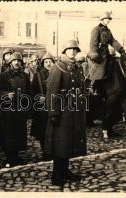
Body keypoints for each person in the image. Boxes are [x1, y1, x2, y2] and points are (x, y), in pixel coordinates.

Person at [45, 40, 87, 186]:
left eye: (75, 50)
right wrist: (54, 113)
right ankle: (57, 175)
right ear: (64, 51)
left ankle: (65, 171)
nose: (73, 52)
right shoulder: (58, 67)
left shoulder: (77, 68)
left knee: (69, 143)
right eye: (70, 50)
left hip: (74, 112)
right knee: (60, 144)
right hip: (62, 113)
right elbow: (52, 91)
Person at [0, 52, 31, 168]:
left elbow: (29, 92)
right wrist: (5, 95)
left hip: (20, 109)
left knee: (18, 133)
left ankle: (16, 156)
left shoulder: (24, 76)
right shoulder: (4, 75)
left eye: (19, 61)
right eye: (14, 61)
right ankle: (9, 158)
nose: (17, 63)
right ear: (10, 62)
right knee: (8, 134)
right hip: (8, 110)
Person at [88, 11, 126, 81]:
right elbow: (93, 43)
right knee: (99, 73)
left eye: (109, 19)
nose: (108, 21)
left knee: (115, 67)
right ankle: (96, 87)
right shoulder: (96, 29)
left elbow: (113, 41)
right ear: (102, 19)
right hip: (98, 57)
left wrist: (121, 50)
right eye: (106, 19)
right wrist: (95, 55)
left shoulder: (108, 31)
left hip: (106, 55)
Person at [31, 52, 54, 160]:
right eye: (46, 62)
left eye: (50, 61)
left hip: (54, 105)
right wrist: (38, 97)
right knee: (43, 131)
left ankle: (54, 151)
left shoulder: (57, 73)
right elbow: (32, 92)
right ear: (43, 63)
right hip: (42, 108)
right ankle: (45, 152)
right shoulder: (38, 75)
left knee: (54, 130)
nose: (48, 64)